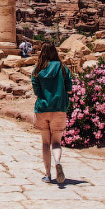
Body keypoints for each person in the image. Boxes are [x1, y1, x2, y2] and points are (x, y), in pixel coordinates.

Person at [30, 42, 71, 184]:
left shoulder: (37, 69)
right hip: (59, 108)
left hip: (43, 108)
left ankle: (47, 175)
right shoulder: (63, 68)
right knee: (56, 142)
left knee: (45, 143)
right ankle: (58, 161)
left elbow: (37, 91)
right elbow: (69, 89)